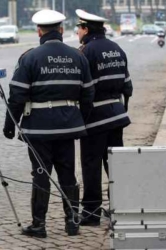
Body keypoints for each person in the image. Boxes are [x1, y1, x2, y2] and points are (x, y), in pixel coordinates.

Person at [3, 9, 95, 238]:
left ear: (38, 31)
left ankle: (39, 225)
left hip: (38, 128)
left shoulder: (30, 57)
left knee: (41, 174)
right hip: (68, 127)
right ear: (61, 30)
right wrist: (79, 119)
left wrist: (10, 123)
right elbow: (88, 94)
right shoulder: (78, 56)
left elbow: (17, 95)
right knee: (68, 175)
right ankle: (72, 223)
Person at [75, 9, 133, 226]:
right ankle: (123, 207)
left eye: (79, 28)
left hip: (95, 120)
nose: (78, 32)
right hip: (117, 116)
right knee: (115, 166)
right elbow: (128, 86)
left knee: (91, 166)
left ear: (86, 29)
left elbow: (83, 89)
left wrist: (81, 115)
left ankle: (91, 214)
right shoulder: (117, 49)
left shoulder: (86, 51)